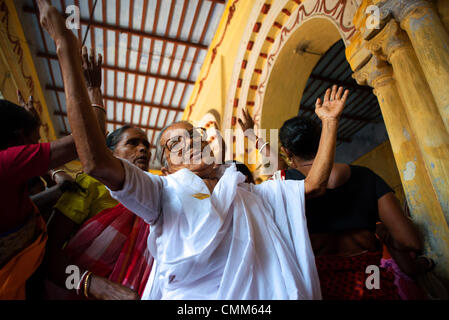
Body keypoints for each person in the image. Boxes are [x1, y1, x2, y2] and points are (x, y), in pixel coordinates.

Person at [36, 0, 350, 299]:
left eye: (194, 134)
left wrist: (330, 123)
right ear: (168, 167)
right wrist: (66, 50)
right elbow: (94, 162)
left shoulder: (249, 192)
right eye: (174, 144)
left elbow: (314, 185)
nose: (188, 143)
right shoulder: (161, 191)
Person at [269, 116, 424, 299]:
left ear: (286, 152)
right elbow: (410, 241)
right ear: (322, 141)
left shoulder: (282, 186)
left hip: (322, 289)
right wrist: (383, 234)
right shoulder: (366, 177)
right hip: (373, 285)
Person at [44, 125, 153, 300]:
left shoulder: (152, 198)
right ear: (111, 153)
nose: (143, 149)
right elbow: (46, 252)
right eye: (132, 143)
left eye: (146, 145)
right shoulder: (91, 183)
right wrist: (90, 284)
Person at [0, 95, 78, 299]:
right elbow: (80, 142)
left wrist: (59, 185)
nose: (36, 146)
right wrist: (92, 90)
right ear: (18, 134)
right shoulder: (6, 163)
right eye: (34, 141)